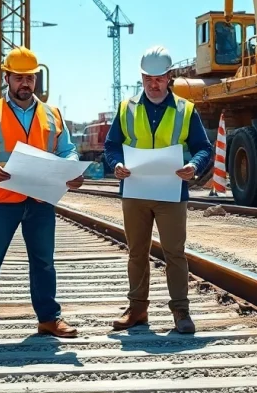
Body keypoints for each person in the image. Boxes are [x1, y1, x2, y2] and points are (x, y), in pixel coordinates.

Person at [0, 46, 85, 342]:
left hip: (40, 199)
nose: (25, 84)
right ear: (6, 78)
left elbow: (66, 148)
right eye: (19, 78)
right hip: (3, 198)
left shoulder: (52, 114)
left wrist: (70, 167)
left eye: (29, 78)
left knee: (43, 261)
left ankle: (48, 318)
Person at [103, 45, 214, 334]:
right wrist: (116, 164)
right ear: (142, 77)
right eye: (148, 79)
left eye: (159, 78)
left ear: (169, 77)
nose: (153, 84)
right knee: (136, 252)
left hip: (171, 193)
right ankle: (137, 309)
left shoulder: (185, 109)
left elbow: (203, 148)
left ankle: (181, 311)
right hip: (135, 192)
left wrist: (194, 166)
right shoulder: (126, 108)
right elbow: (111, 146)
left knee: (174, 252)